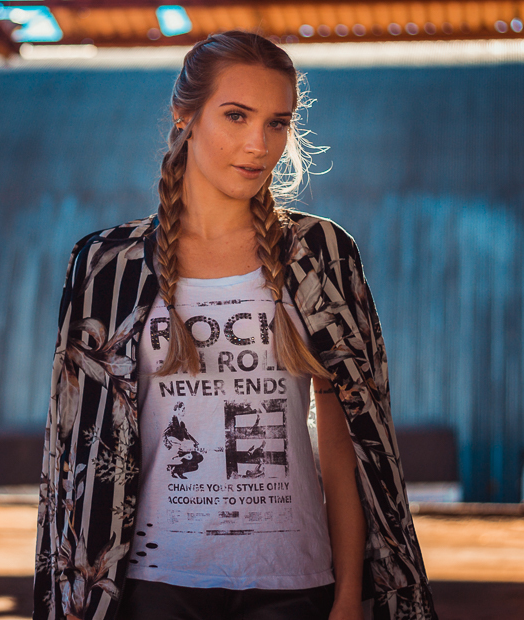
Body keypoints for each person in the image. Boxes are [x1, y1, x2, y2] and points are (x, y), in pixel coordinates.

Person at [34, 30, 438, 620]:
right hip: (154, 582)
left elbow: (348, 446)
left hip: (293, 580)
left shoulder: (320, 255)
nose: (258, 144)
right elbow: (72, 458)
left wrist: (349, 593)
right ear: (184, 116)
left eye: (277, 122)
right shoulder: (106, 266)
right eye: (236, 115)